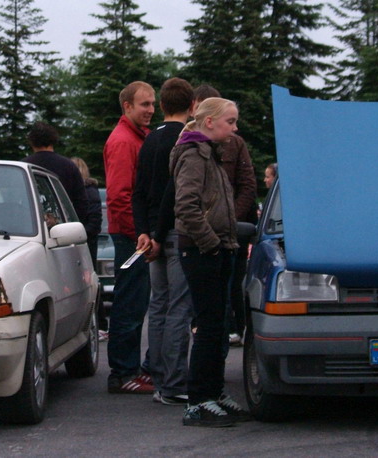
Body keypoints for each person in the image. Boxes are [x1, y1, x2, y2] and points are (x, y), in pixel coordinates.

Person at [171, 97, 250, 427]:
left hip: (219, 247)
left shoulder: (211, 153)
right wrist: (211, 244)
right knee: (207, 326)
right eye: (230, 121)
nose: (234, 128)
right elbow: (186, 206)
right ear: (209, 122)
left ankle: (214, 392)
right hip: (202, 250)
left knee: (218, 325)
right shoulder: (194, 154)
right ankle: (198, 400)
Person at [131, 77, 194, 406]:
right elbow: (174, 194)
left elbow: (138, 191)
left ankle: (157, 376)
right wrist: (157, 233)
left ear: (162, 105)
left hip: (152, 233)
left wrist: (144, 231)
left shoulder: (149, 140)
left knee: (158, 306)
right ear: (192, 106)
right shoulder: (186, 139)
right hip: (174, 232)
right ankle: (173, 382)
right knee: (179, 308)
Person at [193, 85, 258, 349]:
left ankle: (235, 328)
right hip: (204, 233)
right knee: (209, 297)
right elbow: (186, 199)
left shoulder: (236, 144)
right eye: (230, 121)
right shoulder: (190, 147)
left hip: (233, 230)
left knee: (232, 285)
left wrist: (231, 219)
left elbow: (248, 185)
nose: (234, 127)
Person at [104, 81, 156, 394]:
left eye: (152, 104)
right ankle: (123, 374)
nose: (151, 110)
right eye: (144, 104)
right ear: (127, 106)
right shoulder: (124, 141)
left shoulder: (137, 137)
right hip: (130, 237)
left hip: (133, 235)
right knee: (129, 304)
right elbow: (119, 196)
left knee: (135, 302)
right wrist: (139, 235)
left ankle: (130, 369)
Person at [21, 122, 90, 227]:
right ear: (53, 140)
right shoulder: (69, 166)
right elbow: (82, 203)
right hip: (63, 227)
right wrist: (72, 224)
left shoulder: (24, 166)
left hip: (30, 226)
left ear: (31, 142)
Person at [72, 157, 107, 341]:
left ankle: (99, 323)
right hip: (86, 241)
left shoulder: (85, 193)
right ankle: (99, 323)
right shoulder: (92, 193)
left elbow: (93, 224)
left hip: (83, 242)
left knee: (89, 284)